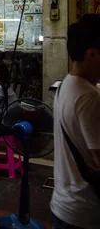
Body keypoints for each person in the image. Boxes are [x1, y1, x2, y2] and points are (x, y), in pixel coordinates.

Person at [51, 14, 100, 229]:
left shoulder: (66, 85)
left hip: (62, 205)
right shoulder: (89, 97)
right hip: (84, 211)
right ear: (92, 54)